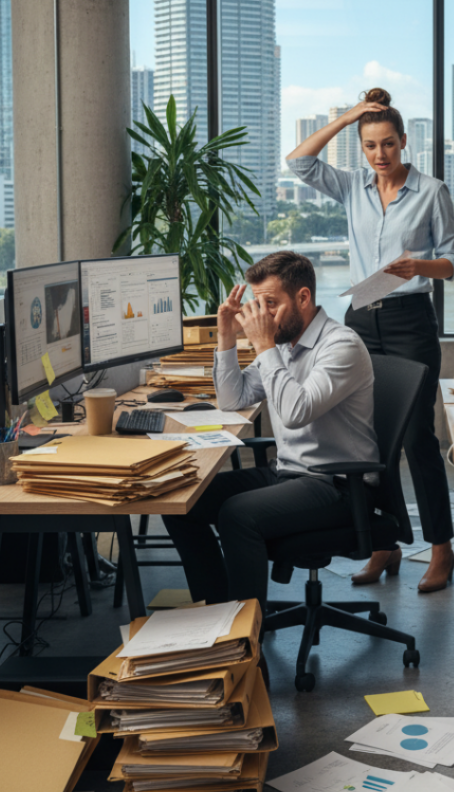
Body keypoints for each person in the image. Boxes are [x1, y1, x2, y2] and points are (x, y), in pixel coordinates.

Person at [287, 88, 454, 593]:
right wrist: (347, 117)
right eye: (369, 145)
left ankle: (441, 549)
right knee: (369, 437)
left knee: (416, 439)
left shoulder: (431, 191)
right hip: (362, 318)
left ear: (404, 142)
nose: (379, 154)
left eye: (387, 143)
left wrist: (419, 266)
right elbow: (298, 161)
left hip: (411, 319)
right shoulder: (351, 188)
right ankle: (384, 545)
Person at [161, 251, 380, 608]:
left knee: (237, 515)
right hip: (290, 474)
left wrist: (263, 346)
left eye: (271, 304)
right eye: (257, 304)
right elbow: (234, 399)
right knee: (181, 501)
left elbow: (296, 412)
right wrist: (227, 338)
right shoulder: (285, 345)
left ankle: (247, 637)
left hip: (337, 484)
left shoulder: (341, 346)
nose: (262, 315)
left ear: (304, 298)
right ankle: (215, 614)